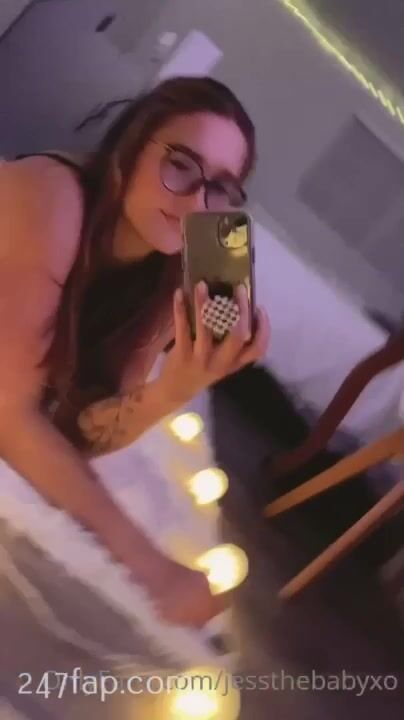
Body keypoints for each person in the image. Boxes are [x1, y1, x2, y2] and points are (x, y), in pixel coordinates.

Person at [0, 76, 269, 630]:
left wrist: (173, 390)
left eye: (220, 188)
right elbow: (10, 414)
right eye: (181, 165)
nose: (196, 201)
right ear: (130, 147)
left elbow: (81, 432)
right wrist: (152, 569)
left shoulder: (166, 274)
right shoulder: (55, 197)